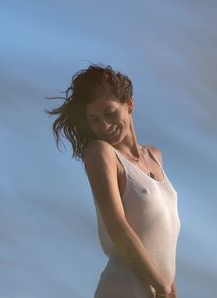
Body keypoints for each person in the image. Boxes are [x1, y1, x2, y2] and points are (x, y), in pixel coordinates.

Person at [46, 63, 181, 298]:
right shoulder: (101, 153)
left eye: (109, 113)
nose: (105, 126)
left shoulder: (155, 156)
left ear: (129, 104)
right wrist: (162, 287)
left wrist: (170, 288)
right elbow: (117, 228)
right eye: (95, 120)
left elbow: (163, 240)